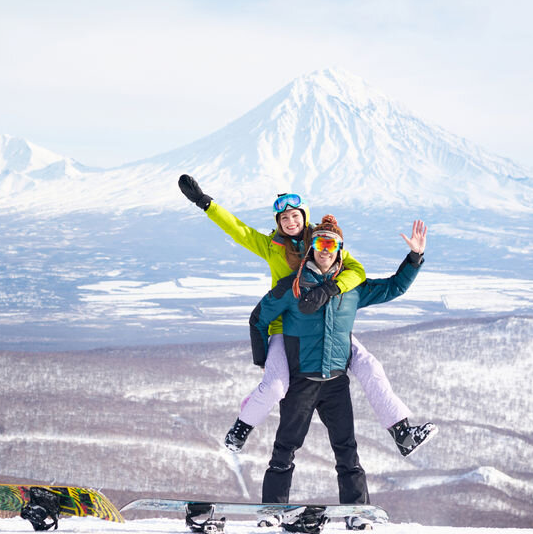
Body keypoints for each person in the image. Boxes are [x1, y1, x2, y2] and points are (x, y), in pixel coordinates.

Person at [177, 174, 435, 457]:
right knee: (275, 386)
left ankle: (402, 433)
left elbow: (356, 272)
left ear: (304, 216)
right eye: (283, 218)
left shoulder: (324, 241)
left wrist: (333, 287)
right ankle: (240, 429)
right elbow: (238, 230)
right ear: (278, 223)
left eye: (294, 215)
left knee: (371, 367)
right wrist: (205, 203)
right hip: (285, 327)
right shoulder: (271, 247)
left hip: (329, 325)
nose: (290, 222)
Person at [249, 215, 428, 523]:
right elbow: (258, 319)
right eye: (319, 242)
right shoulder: (291, 288)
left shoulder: (353, 289)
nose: (325, 249)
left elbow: (395, 287)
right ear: (311, 248)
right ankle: (273, 511)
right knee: (284, 450)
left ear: (341, 250)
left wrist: (414, 257)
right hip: (300, 383)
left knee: (347, 451)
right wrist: (266, 361)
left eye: (332, 244)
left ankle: (357, 512)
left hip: (335, 383)